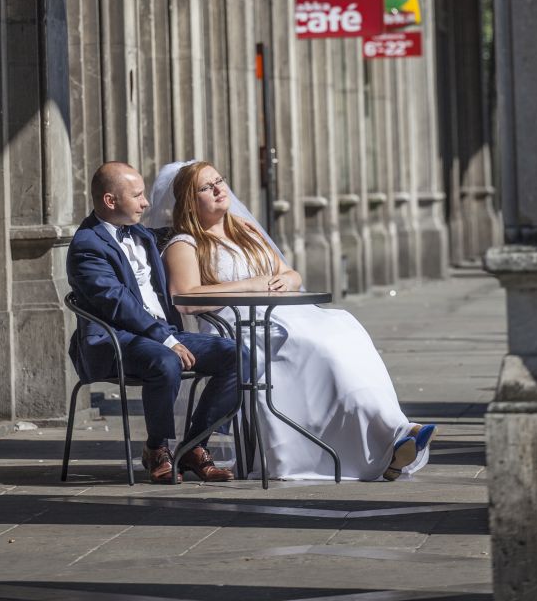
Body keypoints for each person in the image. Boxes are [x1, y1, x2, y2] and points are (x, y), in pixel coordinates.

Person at [155, 160, 435, 482]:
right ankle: (382, 440)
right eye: (207, 187)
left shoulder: (244, 229)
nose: (220, 190)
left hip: (281, 312)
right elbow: (186, 298)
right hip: (239, 324)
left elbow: (288, 273)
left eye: (220, 181)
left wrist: (287, 280)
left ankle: (390, 433)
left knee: (345, 330)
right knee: (319, 348)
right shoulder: (186, 243)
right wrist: (249, 286)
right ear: (190, 201)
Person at [66, 161, 240, 483]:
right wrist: (167, 339)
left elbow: (184, 233)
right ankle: (156, 449)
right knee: (165, 361)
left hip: (161, 334)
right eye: (137, 195)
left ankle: (194, 445)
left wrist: (224, 222)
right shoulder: (87, 246)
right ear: (110, 201)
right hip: (115, 341)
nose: (146, 203)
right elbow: (119, 305)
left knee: (238, 356)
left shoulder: (140, 234)